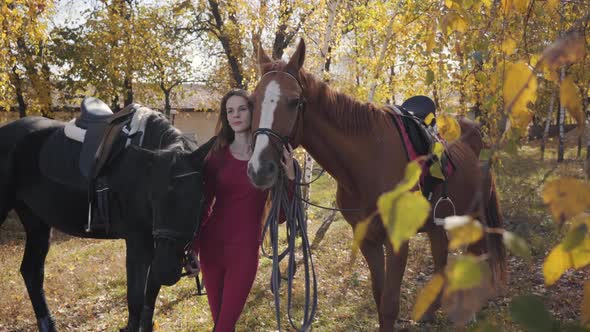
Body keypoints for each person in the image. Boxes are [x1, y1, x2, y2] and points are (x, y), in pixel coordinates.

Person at [189, 88, 295, 331]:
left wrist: (289, 177)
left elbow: (280, 216)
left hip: (244, 252)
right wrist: (193, 249)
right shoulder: (216, 155)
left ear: (252, 112)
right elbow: (204, 205)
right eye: (229, 111)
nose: (235, 115)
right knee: (221, 324)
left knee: (224, 326)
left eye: (242, 109)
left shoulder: (267, 159)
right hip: (211, 247)